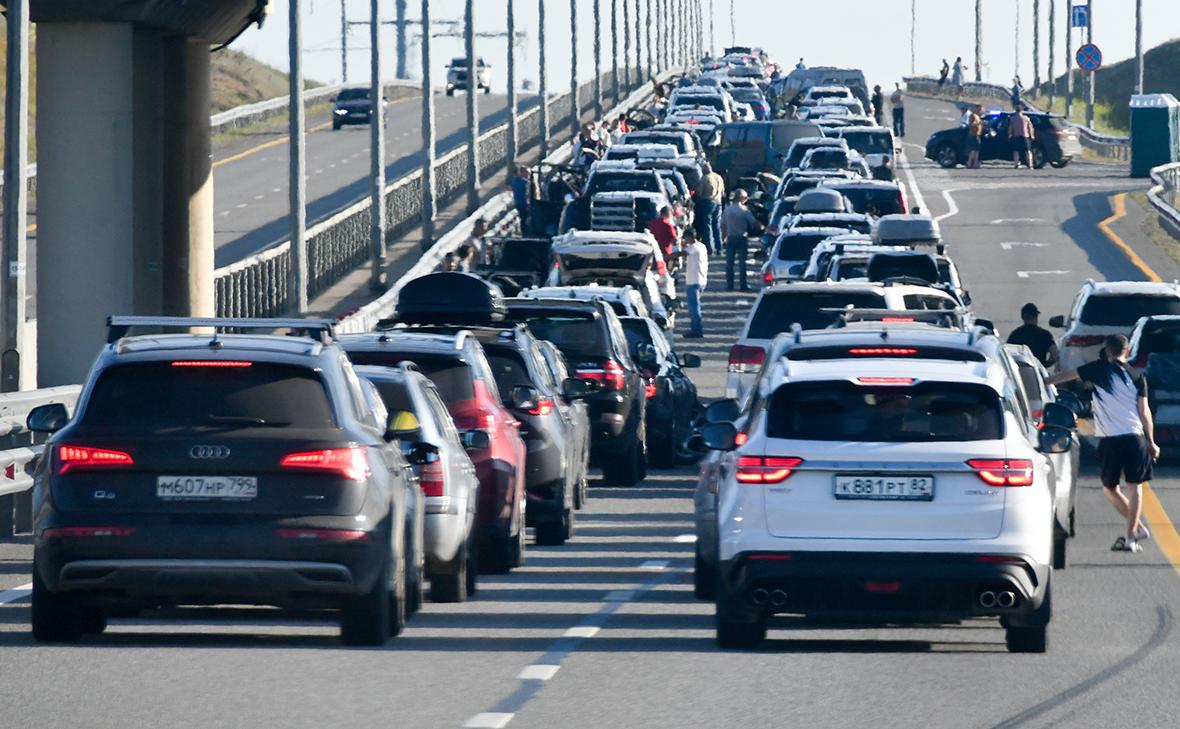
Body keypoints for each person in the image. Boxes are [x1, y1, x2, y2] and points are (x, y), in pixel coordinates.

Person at [1048, 335, 1158, 553]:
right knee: (1136, 488)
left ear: (1107, 351)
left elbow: (1063, 377)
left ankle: (1133, 533)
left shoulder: (1098, 369)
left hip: (1111, 439)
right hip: (1135, 437)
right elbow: (1144, 412)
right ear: (1126, 351)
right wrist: (1151, 441)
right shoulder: (1137, 376)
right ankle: (1133, 533)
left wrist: (1036, 382)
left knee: (1110, 487)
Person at [722, 190, 762, 291]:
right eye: (745, 198)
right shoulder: (744, 211)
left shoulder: (728, 210)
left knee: (729, 263)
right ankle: (743, 285)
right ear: (741, 198)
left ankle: (730, 285)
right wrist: (763, 228)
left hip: (730, 237)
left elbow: (723, 224)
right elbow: (753, 223)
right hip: (741, 237)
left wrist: (724, 237)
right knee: (742, 263)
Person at [1007, 303, 1058, 368]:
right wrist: (1044, 366)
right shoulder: (1044, 335)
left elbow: (1007, 354)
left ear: (1023, 317)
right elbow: (1054, 355)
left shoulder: (1015, 335)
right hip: (1038, 373)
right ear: (1036, 317)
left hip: (1020, 372)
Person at [695, 163, 725, 255]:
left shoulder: (705, 179)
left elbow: (699, 193)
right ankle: (719, 248)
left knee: (707, 226)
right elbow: (723, 192)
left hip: (707, 202)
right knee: (717, 225)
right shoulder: (719, 177)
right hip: (718, 203)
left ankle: (710, 248)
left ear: (704, 170)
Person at [683, 228, 708, 338]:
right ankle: (695, 328)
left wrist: (667, 257)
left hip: (694, 281)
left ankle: (697, 330)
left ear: (689, 237)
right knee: (694, 306)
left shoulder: (693, 247)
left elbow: (681, 253)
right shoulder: (702, 246)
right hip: (701, 280)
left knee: (694, 308)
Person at [508, 166, 530, 234]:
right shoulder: (525, 182)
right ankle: (526, 232)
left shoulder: (514, 181)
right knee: (525, 219)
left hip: (517, 203)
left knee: (522, 219)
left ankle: (522, 231)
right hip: (524, 203)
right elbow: (528, 193)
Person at [965, 105, 984, 169]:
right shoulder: (973, 115)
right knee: (973, 150)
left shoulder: (978, 116)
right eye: (979, 109)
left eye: (981, 110)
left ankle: (975, 163)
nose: (980, 111)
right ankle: (969, 162)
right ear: (975, 109)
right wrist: (979, 123)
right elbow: (971, 124)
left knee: (977, 150)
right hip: (973, 134)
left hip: (977, 134)